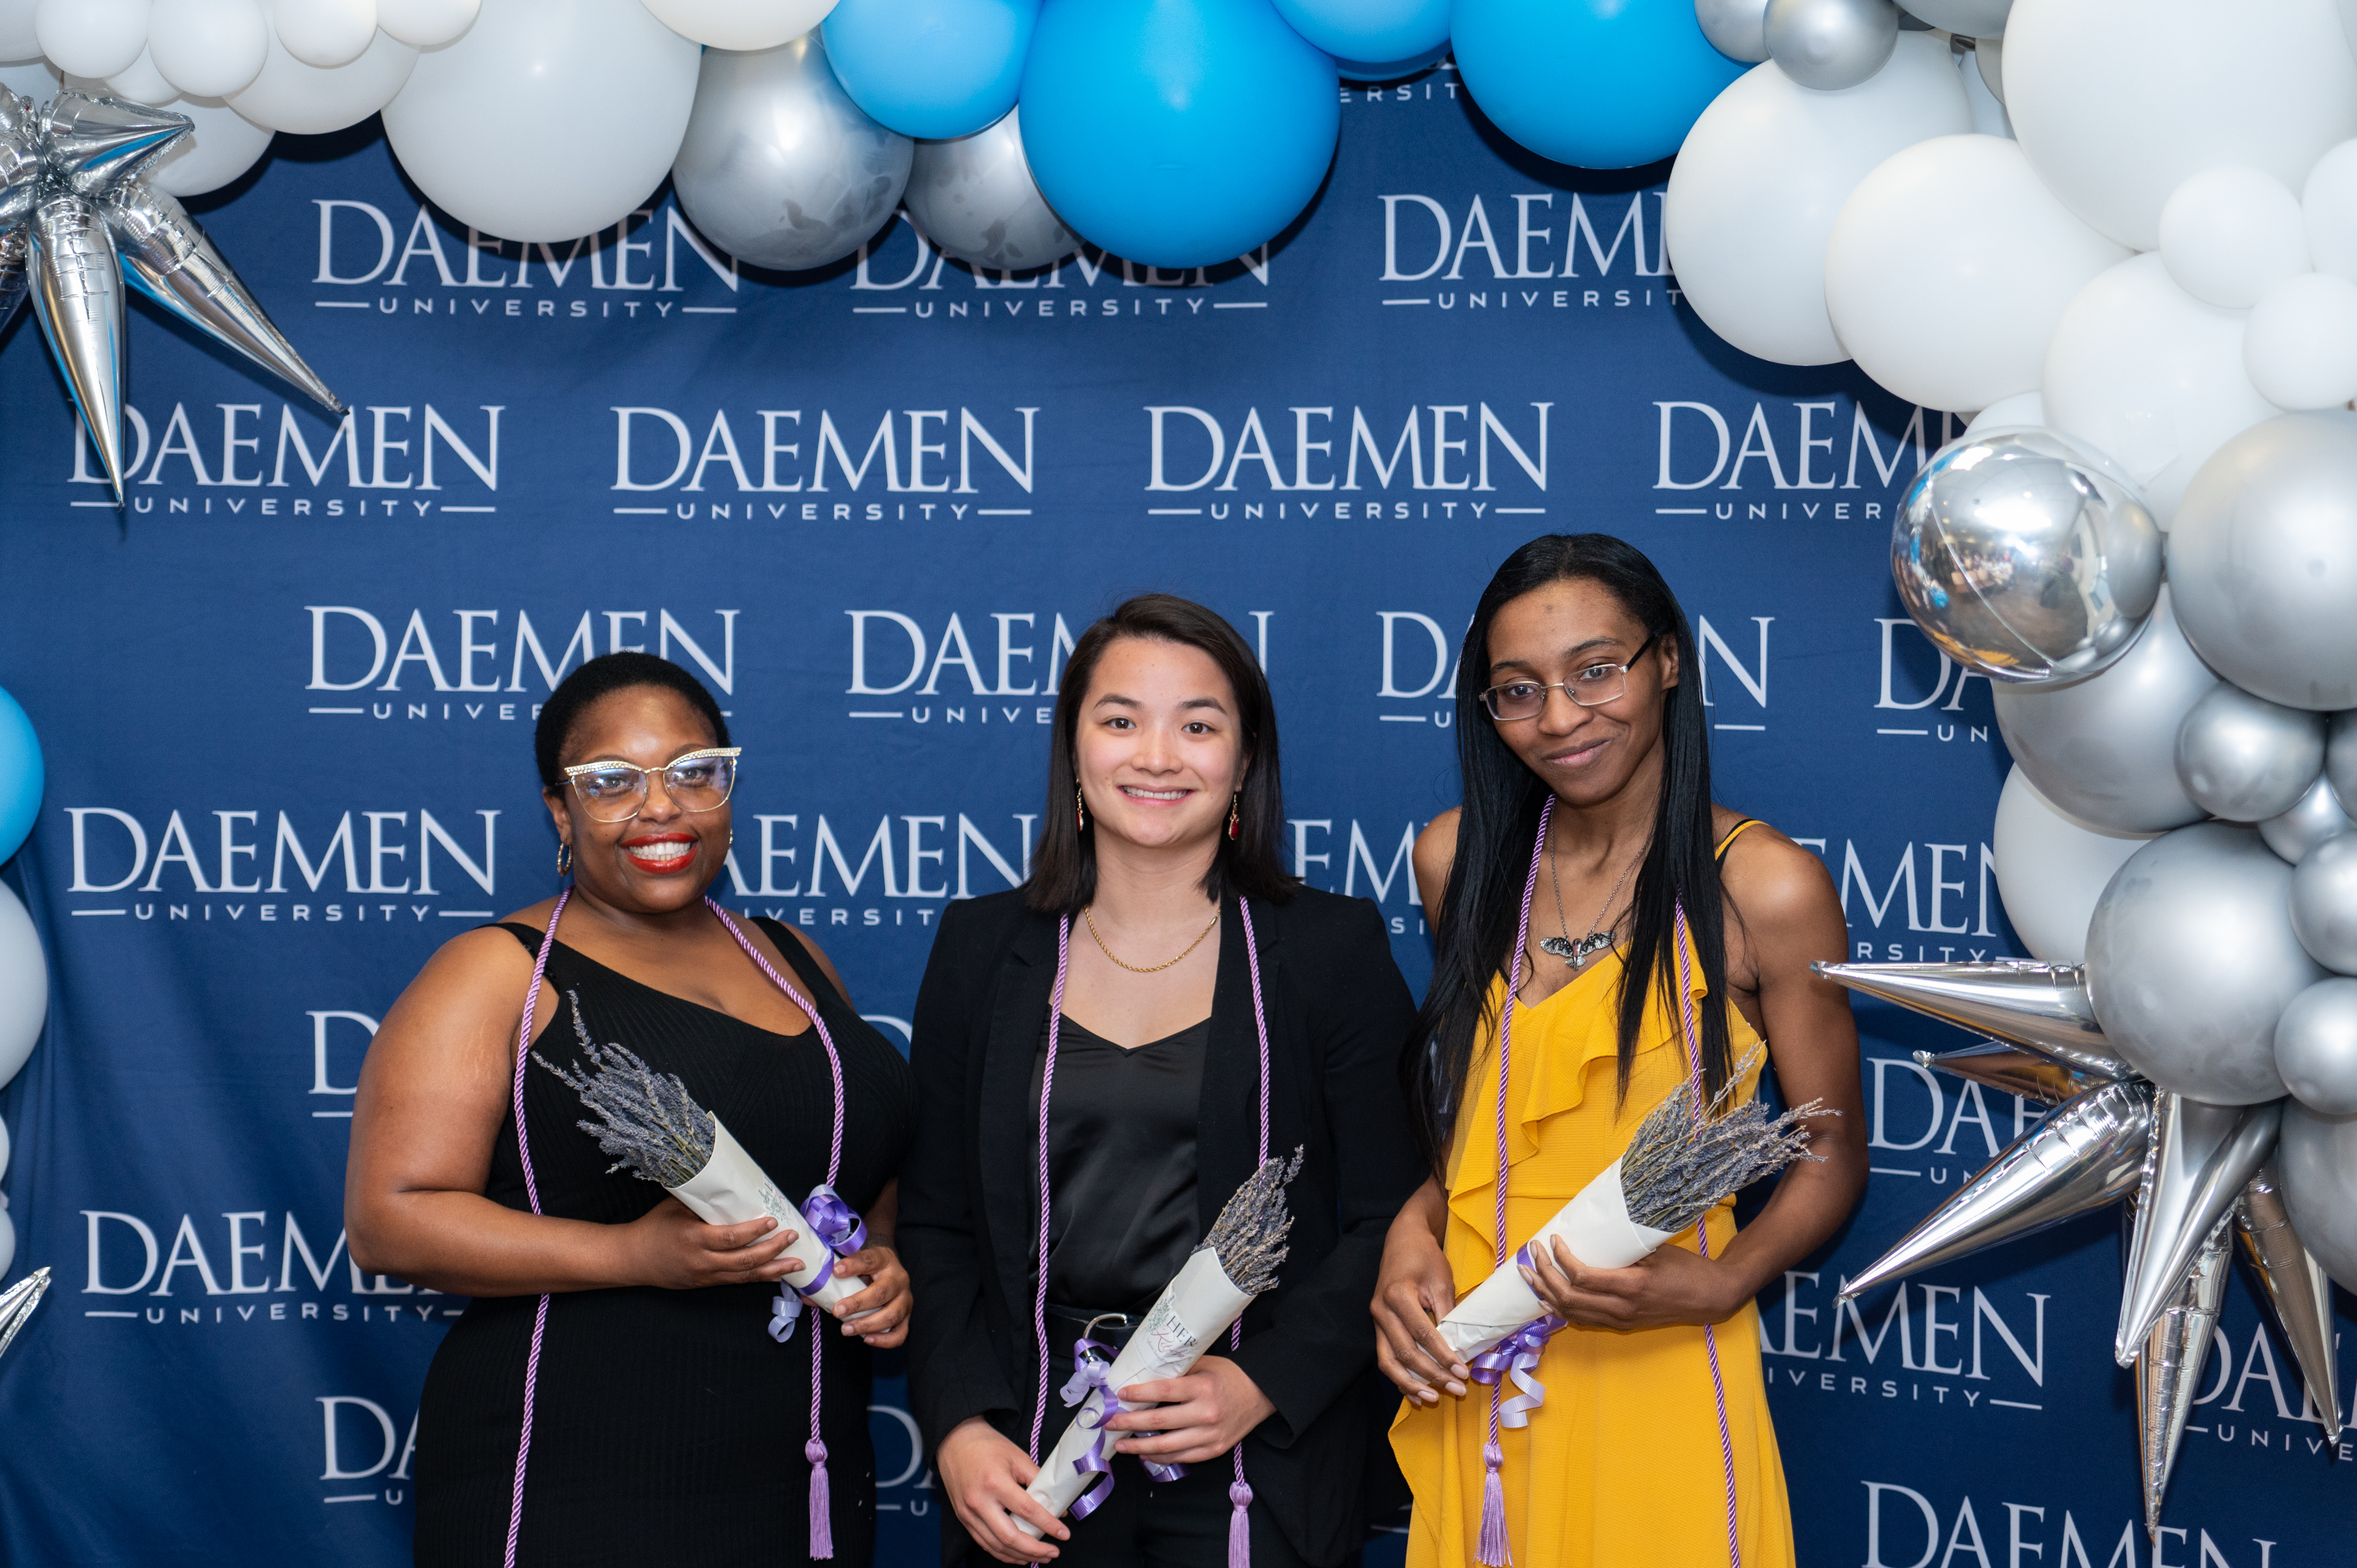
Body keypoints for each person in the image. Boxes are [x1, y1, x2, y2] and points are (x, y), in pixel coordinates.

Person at [345, 651, 917, 1567]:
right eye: (612, 781)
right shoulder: (496, 973)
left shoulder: (792, 956)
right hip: (577, 1472)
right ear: (560, 810)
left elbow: (859, 1157)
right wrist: (633, 1255)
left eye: (694, 772)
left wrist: (878, 1253)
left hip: (800, 1462)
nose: (661, 807)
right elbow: (390, 1222)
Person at [900, 594, 1423, 1568]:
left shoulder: (1328, 949)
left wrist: (1263, 1382)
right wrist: (961, 1421)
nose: (1156, 756)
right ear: (1073, 749)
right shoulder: (981, 947)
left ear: (1245, 759)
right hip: (1030, 1449)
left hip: (1252, 1457)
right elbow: (935, 1223)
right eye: (1120, 720)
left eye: (1197, 725)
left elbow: (1391, 1215)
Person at [1376, 536, 1867, 1568]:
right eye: (1519, 690)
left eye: (1596, 670)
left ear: (1668, 660)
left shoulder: (1764, 886)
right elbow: (1480, 1123)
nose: (1559, 717)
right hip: (1476, 1353)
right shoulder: (1454, 858)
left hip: (1660, 1352)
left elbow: (1828, 1151)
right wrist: (1412, 1228)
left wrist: (1727, 1281)